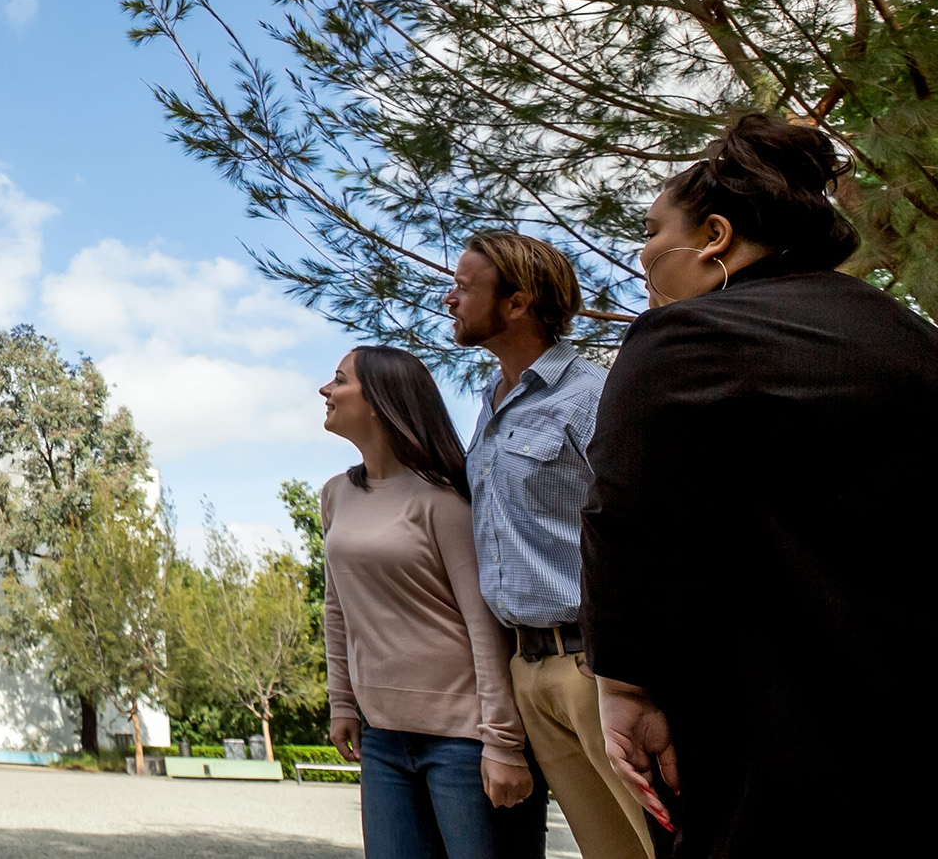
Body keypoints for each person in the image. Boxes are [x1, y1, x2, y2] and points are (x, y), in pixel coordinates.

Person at [582, 114, 931, 854]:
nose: (642, 256)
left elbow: (624, 519)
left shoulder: (680, 340)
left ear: (713, 236)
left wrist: (623, 687)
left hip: (774, 736)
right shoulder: (909, 338)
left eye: (650, 232)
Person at [447, 233, 653, 859]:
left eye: (465, 286)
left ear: (517, 304)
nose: (448, 297)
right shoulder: (490, 406)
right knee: (606, 851)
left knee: (662, 844)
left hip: (597, 667)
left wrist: (627, 670)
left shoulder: (590, 397)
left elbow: (639, 531)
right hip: (528, 672)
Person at [320, 346, 530, 859]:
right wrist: (342, 702)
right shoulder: (335, 495)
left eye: (339, 379)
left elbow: (484, 626)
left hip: (463, 741)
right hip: (382, 739)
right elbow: (336, 607)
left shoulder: (444, 499)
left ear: (381, 400)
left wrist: (502, 742)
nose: (325, 390)